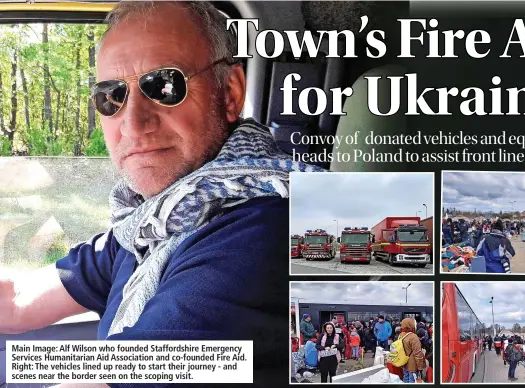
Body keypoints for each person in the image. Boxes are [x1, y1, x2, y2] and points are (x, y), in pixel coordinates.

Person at [0, 3, 323, 387]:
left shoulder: (264, 230)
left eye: (165, 86)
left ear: (231, 93)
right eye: (111, 96)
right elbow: (16, 300)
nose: (133, 124)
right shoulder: (153, 220)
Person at [397, 318, 425, 383]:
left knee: (406, 379)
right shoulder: (413, 337)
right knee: (412, 381)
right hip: (413, 365)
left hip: (404, 362)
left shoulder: (401, 335)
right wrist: (420, 367)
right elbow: (418, 353)